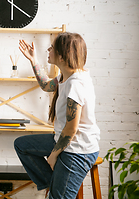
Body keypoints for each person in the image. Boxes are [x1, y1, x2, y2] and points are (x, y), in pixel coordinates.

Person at [14, 33, 100, 199]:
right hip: (65, 140)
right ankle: (55, 184)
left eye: (52, 48)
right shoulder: (65, 77)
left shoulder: (76, 84)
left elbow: (71, 128)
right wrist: (33, 60)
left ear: (62, 55)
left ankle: (58, 191)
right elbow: (46, 86)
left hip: (77, 150)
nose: (48, 49)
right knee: (21, 145)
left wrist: (53, 156)